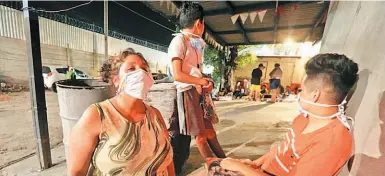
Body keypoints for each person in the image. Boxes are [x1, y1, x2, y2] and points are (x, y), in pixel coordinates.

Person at [210, 53, 358, 176]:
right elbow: (284, 148)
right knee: (213, 165)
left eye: (301, 91)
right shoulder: (303, 119)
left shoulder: (332, 143)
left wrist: (242, 169)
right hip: (261, 171)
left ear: (315, 95)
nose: (299, 95)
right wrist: (254, 164)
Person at [67, 48, 175, 176]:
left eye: (145, 69)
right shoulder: (97, 115)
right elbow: (77, 172)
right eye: (131, 69)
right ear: (116, 80)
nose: (140, 73)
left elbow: (168, 161)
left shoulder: (155, 115)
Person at [168, 2, 226, 175]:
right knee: (200, 135)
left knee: (209, 131)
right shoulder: (179, 41)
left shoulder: (195, 42)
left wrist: (205, 80)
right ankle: (215, 169)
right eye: (203, 24)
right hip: (187, 93)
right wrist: (201, 82)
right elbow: (177, 74)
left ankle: (226, 161)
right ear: (198, 23)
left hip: (198, 92)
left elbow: (193, 70)